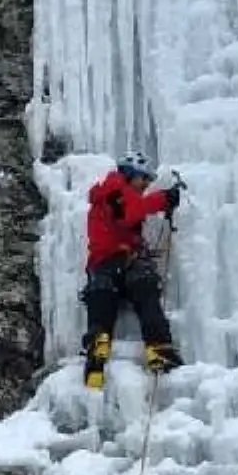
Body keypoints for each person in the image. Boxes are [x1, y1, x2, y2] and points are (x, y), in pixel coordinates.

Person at [83, 151, 183, 389]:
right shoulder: (115, 189)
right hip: (114, 262)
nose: (146, 184)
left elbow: (120, 227)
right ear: (130, 174)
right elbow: (130, 213)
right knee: (145, 289)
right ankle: (158, 348)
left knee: (103, 301)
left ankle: (97, 354)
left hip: (104, 265)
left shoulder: (107, 195)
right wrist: (164, 199)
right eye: (144, 178)